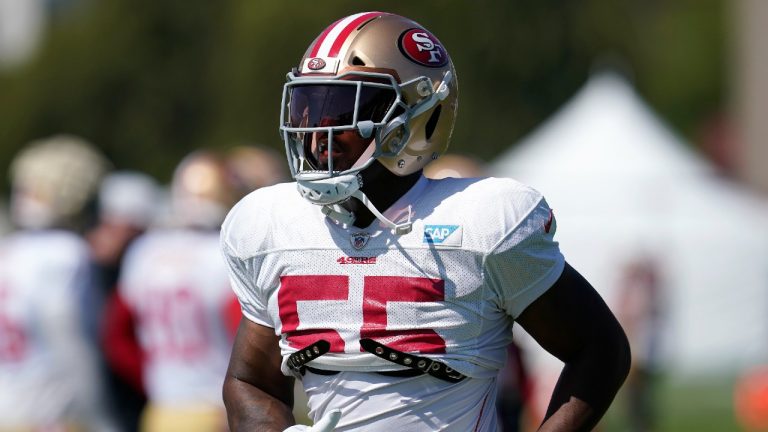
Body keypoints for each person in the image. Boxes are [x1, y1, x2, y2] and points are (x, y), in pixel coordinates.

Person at [220, 11, 630, 432]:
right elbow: (251, 381)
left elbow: (600, 349)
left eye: (345, 108)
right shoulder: (271, 225)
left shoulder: (484, 221)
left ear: (418, 116)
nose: (320, 129)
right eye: (311, 105)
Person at [102, 151, 245, 432]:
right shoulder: (225, 255)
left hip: (163, 411)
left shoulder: (145, 251)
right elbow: (246, 336)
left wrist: (156, 380)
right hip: (217, 410)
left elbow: (116, 339)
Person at [0, 134, 115, 431]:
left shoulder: (7, 250)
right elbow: (71, 343)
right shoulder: (64, 253)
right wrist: (101, 419)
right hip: (53, 416)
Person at [87, 170, 162, 432]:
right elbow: (116, 340)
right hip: (117, 388)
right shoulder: (90, 264)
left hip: (136, 388)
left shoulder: (141, 263)